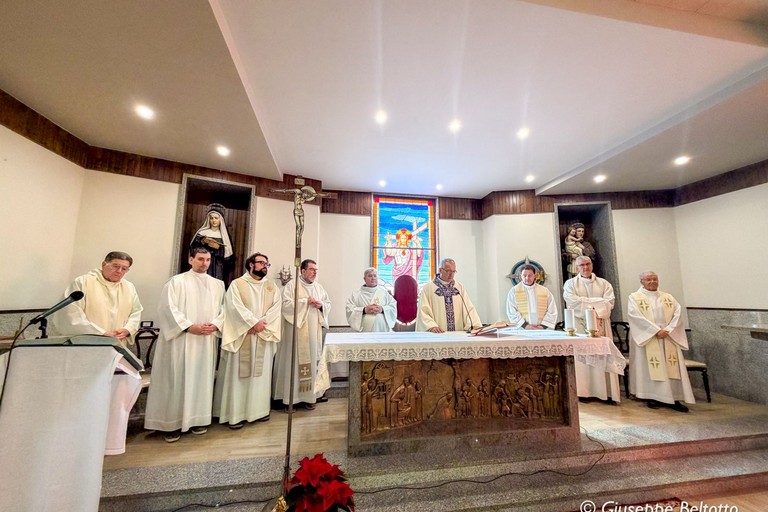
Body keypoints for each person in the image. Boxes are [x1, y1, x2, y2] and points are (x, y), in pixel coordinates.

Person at [144, 247, 225, 442]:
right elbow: (167, 308)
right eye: (200, 259)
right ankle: (171, 424)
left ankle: (198, 419)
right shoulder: (176, 282)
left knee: (201, 378)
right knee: (176, 379)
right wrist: (188, 327)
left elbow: (225, 309)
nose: (204, 263)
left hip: (205, 340)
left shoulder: (218, 284)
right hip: (181, 341)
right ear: (190, 260)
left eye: (207, 260)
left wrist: (215, 324)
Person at [213, 252, 282, 429]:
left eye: (267, 263)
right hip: (243, 334)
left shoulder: (272, 287)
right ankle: (235, 415)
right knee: (239, 376)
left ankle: (258, 412)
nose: (265, 266)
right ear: (251, 264)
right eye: (261, 263)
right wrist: (252, 323)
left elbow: (276, 309)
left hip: (262, 336)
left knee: (260, 376)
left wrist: (261, 325)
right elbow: (233, 307)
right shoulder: (237, 284)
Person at [628, 271, 694, 412]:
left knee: (672, 368)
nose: (652, 282)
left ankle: (674, 398)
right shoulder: (635, 297)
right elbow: (635, 317)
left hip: (668, 337)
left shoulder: (667, 297)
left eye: (655, 279)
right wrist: (656, 331)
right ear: (642, 282)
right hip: (649, 337)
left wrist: (668, 330)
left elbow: (677, 314)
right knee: (651, 367)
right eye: (648, 279)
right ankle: (653, 396)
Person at [272, 259, 331, 410]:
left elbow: (327, 304)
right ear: (303, 271)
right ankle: (289, 398)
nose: (315, 272)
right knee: (292, 363)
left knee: (312, 362)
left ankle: (310, 397)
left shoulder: (319, 287)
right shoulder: (291, 286)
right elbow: (284, 305)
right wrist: (305, 302)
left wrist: (321, 306)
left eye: (316, 270)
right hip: (295, 334)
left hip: (313, 333)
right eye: (311, 269)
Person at [562, 255, 622, 403]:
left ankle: (607, 393)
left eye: (588, 264)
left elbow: (610, 303)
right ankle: (584, 392)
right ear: (577, 268)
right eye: (582, 265)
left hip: (601, 324)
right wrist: (598, 303)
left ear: (592, 265)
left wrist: (588, 304)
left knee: (603, 356)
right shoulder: (570, 284)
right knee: (584, 360)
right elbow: (572, 302)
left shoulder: (604, 284)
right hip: (580, 326)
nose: (585, 267)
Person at [53, 250, 143, 346]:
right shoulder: (83, 282)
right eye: (116, 266)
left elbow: (136, 312)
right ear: (104, 264)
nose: (119, 271)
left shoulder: (129, 287)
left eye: (124, 269)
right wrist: (101, 333)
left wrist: (127, 330)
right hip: (87, 343)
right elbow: (71, 313)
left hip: (117, 343)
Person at [416, 258, 482, 333]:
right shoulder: (428, 289)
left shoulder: (459, 288)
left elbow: (469, 309)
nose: (451, 274)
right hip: (438, 335)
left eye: (453, 271)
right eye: (448, 271)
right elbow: (423, 311)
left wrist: (474, 324)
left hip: (457, 336)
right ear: (440, 270)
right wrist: (431, 326)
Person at [506, 264, 557, 329]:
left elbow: (552, 309)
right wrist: (525, 325)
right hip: (523, 329)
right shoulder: (514, 291)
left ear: (534, 276)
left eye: (530, 275)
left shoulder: (544, 291)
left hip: (542, 330)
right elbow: (511, 311)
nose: (527, 278)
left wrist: (543, 326)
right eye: (524, 275)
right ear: (521, 276)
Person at [346, 267, 397, 333]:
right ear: (364, 279)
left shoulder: (384, 293)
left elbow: (393, 306)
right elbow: (349, 309)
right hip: (365, 331)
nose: (373, 278)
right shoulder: (356, 295)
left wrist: (382, 309)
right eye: (370, 276)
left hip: (382, 329)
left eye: (375, 276)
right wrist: (364, 310)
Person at [190, 206, 233, 281]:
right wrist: (202, 242)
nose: (214, 220)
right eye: (211, 218)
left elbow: (227, 255)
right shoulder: (202, 233)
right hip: (202, 262)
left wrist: (218, 248)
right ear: (208, 219)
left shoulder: (224, 236)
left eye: (216, 218)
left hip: (217, 265)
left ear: (221, 220)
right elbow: (193, 249)